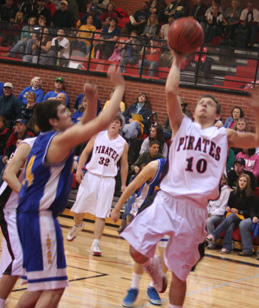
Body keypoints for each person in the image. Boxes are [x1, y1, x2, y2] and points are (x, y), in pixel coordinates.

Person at [120, 49, 259, 308]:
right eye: (201, 101)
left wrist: (257, 110)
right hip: (167, 199)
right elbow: (170, 92)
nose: (203, 104)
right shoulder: (182, 124)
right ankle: (154, 273)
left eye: (209, 104)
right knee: (136, 249)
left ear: (216, 115)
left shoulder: (225, 135)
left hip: (195, 209)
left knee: (180, 272)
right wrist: (176, 61)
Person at [15, 66, 125, 308]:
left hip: (30, 215)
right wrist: (119, 87)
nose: (71, 113)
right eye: (65, 111)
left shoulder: (46, 138)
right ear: (54, 121)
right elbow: (102, 122)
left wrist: (93, 98)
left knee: (40, 287)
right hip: (38, 218)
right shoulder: (60, 140)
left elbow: (87, 120)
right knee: (54, 288)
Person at [66, 114, 128, 256]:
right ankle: (78, 225)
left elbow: (124, 164)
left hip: (108, 179)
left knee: (101, 213)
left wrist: (123, 183)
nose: (114, 124)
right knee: (78, 208)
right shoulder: (98, 135)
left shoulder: (123, 143)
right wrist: (80, 169)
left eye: (117, 122)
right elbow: (85, 152)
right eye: (112, 121)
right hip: (91, 175)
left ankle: (96, 243)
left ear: (120, 126)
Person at [111, 158, 167, 307]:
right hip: (146, 214)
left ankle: (152, 287)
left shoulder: (185, 171)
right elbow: (132, 186)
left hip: (168, 218)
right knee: (141, 253)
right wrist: (117, 208)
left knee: (168, 258)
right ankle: (134, 288)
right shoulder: (155, 166)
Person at [0, 137, 36, 308]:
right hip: (10, 207)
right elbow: (8, 174)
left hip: (26, 211)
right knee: (20, 258)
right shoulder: (29, 145)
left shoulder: (57, 149)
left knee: (14, 257)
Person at [206, 174, 254, 253]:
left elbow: (250, 212)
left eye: (244, 181)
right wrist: (228, 208)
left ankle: (214, 234)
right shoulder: (233, 193)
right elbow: (228, 206)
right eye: (241, 180)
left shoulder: (251, 195)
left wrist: (238, 211)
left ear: (247, 183)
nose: (242, 182)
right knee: (230, 222)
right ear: (238, 182)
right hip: (231, 216)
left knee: (231, 217)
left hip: (243, 217)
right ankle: (227, 246)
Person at [206, 173, 230, 249]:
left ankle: (212, 242)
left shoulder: (226, 191)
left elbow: (222, 209)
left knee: (209, 221)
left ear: (225, 181)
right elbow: (207, 203)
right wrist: (206, 212)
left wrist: (212, 213)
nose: (220, 181)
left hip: (220, 215)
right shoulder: (211, 189)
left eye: (222, 179)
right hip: (210, 212)